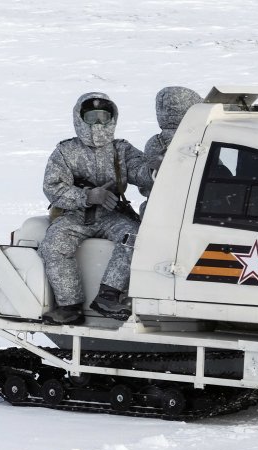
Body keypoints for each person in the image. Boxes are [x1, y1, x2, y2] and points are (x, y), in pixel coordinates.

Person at [38, 92, 153, 325]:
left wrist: (153, 170)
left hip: (111, 214)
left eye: (103, 116)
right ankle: (69, 307)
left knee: (136, 236)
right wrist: (87, 196)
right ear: (80, 118)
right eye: (92, 117)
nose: (98, 123)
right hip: (75, 216)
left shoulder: (121, 150)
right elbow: (53, 187)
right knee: (54, 244)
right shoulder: (65, 151)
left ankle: (108, 295)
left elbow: (139, 170)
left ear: (112, 118)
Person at [140, 86, 203, 217]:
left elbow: (145, 187)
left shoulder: (156, 142)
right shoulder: (196, 138)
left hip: (159, 212)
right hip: (183, 212)